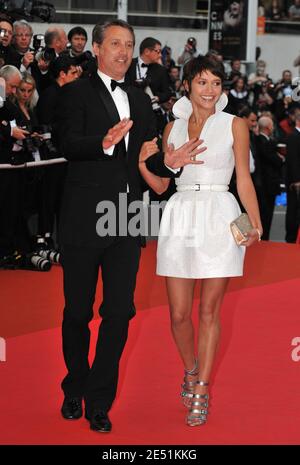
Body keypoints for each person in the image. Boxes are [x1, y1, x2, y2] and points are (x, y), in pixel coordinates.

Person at [57, 19, 206, 434]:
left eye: (129, 45)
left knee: (119, 311)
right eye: (116, 44)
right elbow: (65, 142)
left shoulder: (141, 102)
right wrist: (102, 142)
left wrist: (168, 163)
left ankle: (100, 400)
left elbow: (146, 160)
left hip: (127, 217)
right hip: (84, 218)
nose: (123, 51)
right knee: (77, 311)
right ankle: (74, 385)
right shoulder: (74, 94)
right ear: (99, 49)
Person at [139, 56, 262, 427]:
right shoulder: (172, 128)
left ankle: (202, 389)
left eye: (216, 84)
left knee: (209, 311)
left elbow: (243, 178)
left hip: (219, 214)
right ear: (188, 85)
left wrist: (254, 224)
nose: (210, 91)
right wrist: (146, 164)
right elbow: (161, 186)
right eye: (202, 83)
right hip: (179, 215)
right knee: (178, 315)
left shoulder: (235, 125)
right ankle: (191, 369)